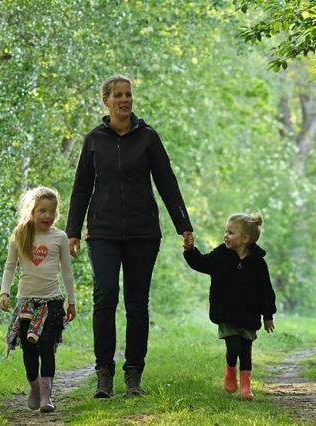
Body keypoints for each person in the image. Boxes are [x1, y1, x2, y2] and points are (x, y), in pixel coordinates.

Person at [66, 75, 193, 398]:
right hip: (103, 232)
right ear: (106, 101)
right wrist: (72, 232)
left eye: (128, 94)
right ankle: (104, 373)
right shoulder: (94, 140)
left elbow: (167, 183)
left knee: (137, 303)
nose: (125, 100)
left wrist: (183, 224)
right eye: (118, 95)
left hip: (143, 233)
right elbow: (81, 188)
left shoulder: (148, 137)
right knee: (105, 296)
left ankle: (134, 373)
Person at [183, 212, 276, 400]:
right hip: (225, 312)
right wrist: (190, 250)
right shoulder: (220, 256)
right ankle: (230, 371)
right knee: (233, 346)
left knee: (246, 350)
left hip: (249, 314)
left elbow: (265, 291)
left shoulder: (258, 263)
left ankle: (246, 387)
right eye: (226, 231)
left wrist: (268, 315)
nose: (225, 235)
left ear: (245, 238)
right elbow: (201, 263)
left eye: (231, 232)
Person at [0, 186, 77, 413]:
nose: (47, 216)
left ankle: (46, 396)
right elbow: (10, 266)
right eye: (42, 211)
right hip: (26, 303)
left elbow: (67, 272)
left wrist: (71, 301)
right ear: (32, 211)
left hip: (52, 302)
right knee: (29, 350)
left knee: (47, 348)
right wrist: (4, 292)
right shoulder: (20, 235)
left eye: (52, 211)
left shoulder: (60, 237)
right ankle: (34, 388)